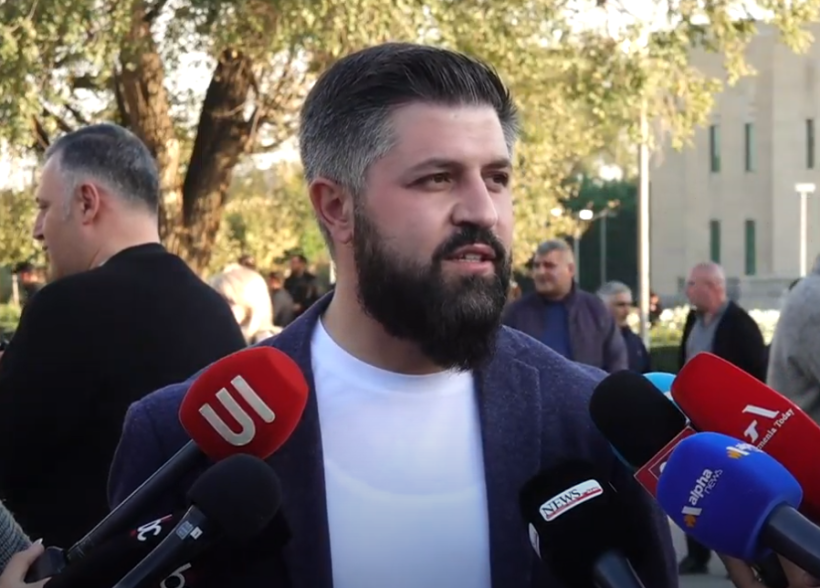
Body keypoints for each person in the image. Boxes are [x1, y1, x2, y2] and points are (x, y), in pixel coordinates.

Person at [107, 43, 676, 588]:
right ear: (337, 207)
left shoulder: (586, 422)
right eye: (438, 178)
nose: (483, 210)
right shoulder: (181, 439)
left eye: (497, 178)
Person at [0, 124, 247, 548]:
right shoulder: (215, 311)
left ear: (86, 202)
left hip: (76, 568)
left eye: (44, 207)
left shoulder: (64, 307)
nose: (38, 230)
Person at [677, 261, 766, 575]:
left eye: (692, 284)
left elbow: (756, 374)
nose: (687, 291)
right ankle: (696, 553)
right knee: (694, 483)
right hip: (695, 417)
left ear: (713, 287)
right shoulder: (693, 320)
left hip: (730, 421)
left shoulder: (740, 325)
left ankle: (744, 557)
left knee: (735, 487)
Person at [502, 240, 627, 372]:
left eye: (549, 266)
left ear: (571, 269)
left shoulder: (595, 310)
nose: (540, 272)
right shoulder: (517, 313)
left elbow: (616, 360)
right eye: (537, 266)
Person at [210, 264, 280, 344]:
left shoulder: (270, 345)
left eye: (228, 301)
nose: (218, 307)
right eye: (214, 300)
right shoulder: (215, 338)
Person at [597, 281, 651, 373]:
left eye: (629, 304)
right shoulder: (591, 341)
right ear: (603, 306)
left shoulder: (635, 341)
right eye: (620, 305)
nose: (627, 311)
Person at [284, 253, 319, 317]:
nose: (291, 265)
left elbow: (313, 297)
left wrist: (302, 305)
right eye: (291, 262)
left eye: (294, 262)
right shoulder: (288, 281)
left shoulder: (310, 280)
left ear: (302, 264)